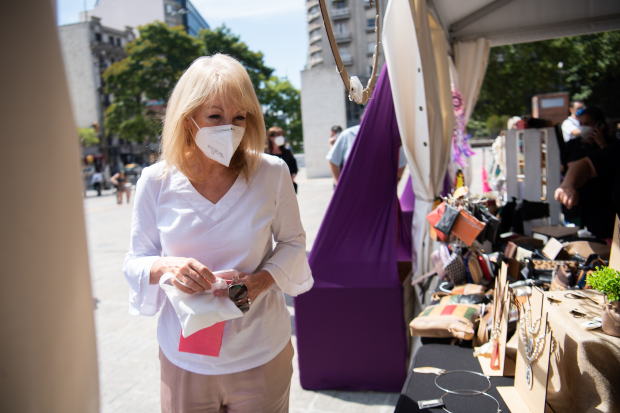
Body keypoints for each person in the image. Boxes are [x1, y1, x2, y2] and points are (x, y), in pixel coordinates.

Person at [123, 54, 313, 413]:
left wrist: (260, 282)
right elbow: (135, 262)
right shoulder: (156, 182)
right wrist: (169, 268)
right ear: (188, 118)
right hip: (185, 358)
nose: (229, 127)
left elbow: (293, 242)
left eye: (239, 117)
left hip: (260, 352)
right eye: (215, 116)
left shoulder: (271, 173)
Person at [555, 106, 618, 239]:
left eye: (587, 124)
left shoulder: (611, 144)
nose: (583, 127)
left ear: (599, 125)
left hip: (606, 203)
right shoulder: (574, 144)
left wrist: (601, 143)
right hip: (585, 200)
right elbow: (584, 165)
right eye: (581, 124)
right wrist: (567, 185)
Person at [326, 124, 407, 184]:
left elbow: (402, 161)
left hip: (380, 191)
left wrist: (396, 181)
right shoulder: (348, 134)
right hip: (352, 191)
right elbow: (332, 159)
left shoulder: (388, 136)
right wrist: (338, 184)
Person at [266, 126, 299, 193]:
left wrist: (293, 175)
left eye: (282, 135)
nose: (281, 137)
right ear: (271, 138)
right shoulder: (264, 153)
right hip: (270, 188)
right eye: (278, 135)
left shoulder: (287, 152)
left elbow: (294, 165)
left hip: (287, 186)